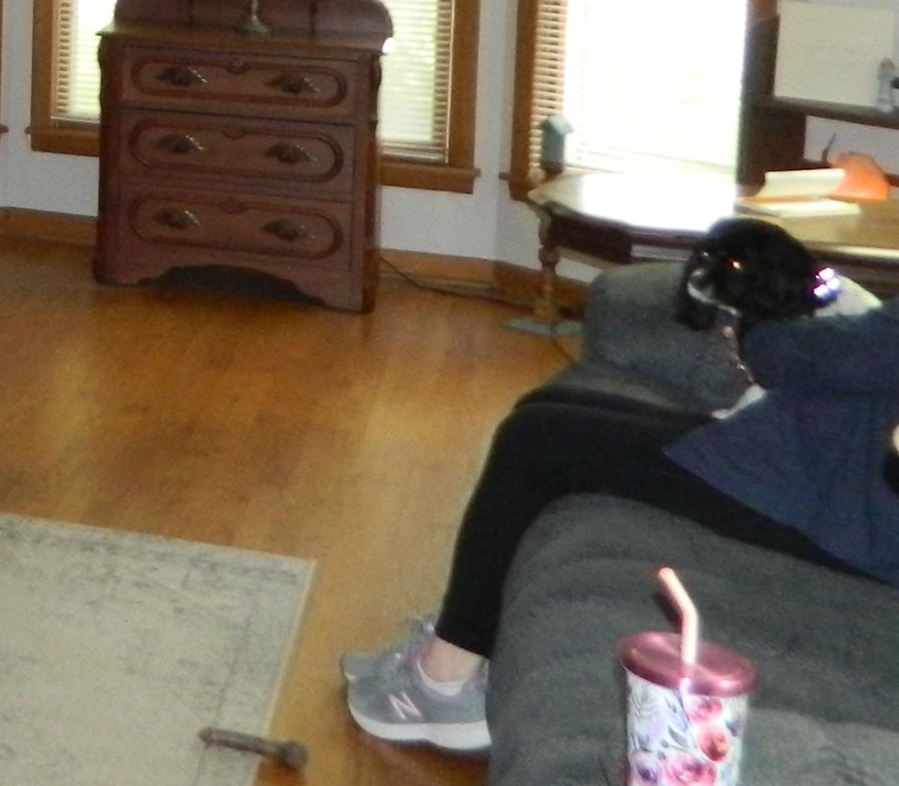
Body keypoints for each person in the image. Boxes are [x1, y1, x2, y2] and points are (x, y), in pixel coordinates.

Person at [345, 218, 899, 753]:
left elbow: (824, 357)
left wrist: (762, 334)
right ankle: (457, 644)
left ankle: (443, 682)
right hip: (807, 463)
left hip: (829, 505)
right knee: (546, 411)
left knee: (536, 439)